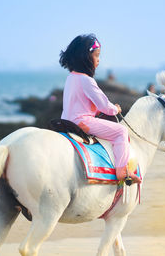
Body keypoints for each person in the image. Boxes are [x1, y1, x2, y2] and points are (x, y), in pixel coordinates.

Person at [59, 34, 141, 183]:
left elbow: (80, 103)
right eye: (96, 56)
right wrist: (115, 109)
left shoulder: (71, 77)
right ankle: (123, 171)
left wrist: (96, 111)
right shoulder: (87, 80)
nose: (98, 60)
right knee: (121, 131)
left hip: (66, 120)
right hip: (82, 122)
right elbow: (105, 106)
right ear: (85, 58)